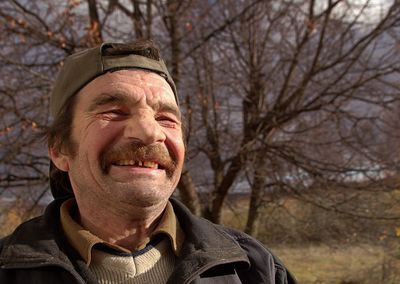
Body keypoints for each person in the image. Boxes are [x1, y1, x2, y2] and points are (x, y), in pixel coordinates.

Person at [0, 40, 296, 284]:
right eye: (114, 112)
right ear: (60, 149)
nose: (149, 132)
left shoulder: (256, 270)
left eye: (166, 118)